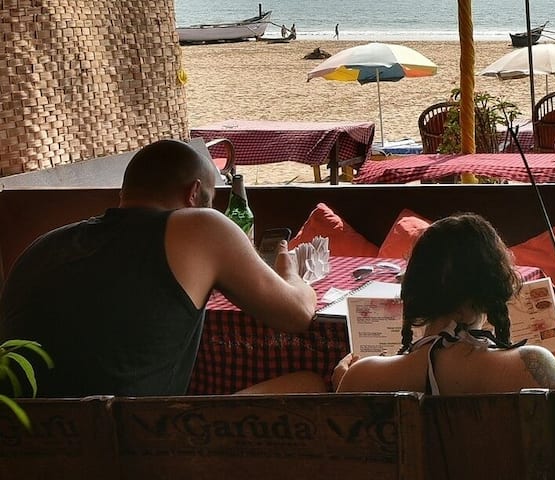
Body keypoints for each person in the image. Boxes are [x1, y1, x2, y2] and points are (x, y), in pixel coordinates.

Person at [0, 139, 317, 397]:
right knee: (311, 382)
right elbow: (297, 314)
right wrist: (291, 275)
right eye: (209, 199)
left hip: (27, 445)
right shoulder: (200, 226)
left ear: (123, 193)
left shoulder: (43, 246)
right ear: (193, 194)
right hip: (132, 445)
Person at [320, 214, 555, 394]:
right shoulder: (532, 365)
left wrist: (346, 388)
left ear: (414, 289)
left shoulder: (361, 377)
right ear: (490, 291)